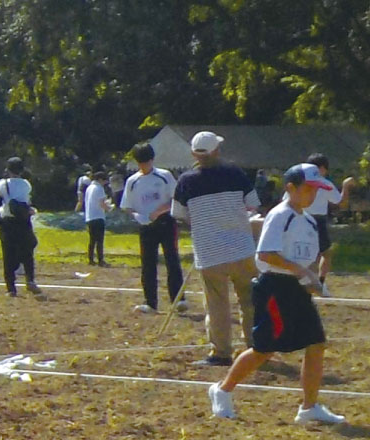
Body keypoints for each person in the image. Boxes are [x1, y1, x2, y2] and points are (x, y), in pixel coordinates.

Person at [208, 163, 345, 425]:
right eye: (308, 189)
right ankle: (222, 390)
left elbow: (306, 258)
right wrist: (304, 272)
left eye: (317, 190)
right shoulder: (281, 215)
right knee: (264, 349)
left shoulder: (309, 221)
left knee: (316, 344)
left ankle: (309, 407)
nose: (313, 195)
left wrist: (310, 281)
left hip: (296, 290)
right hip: (274, 288)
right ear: (290, 188)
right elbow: (266, 254)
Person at [172, 131, 259, 366]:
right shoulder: (235, 173)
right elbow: (253, 205)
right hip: (241, 247)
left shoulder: (186, 181)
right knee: (249, 300)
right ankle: (256, 346)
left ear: (194, 154)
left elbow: (179, 215)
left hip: (210, 252)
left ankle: (221, 352)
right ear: (216, 151)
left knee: (217, 304)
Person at [120, 144, 186, 314]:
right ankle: (150, 302)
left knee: (172, 260)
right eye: (141, 162)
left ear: (152, 160)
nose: (144, 166)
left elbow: (175, 199)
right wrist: (136, 216)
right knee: (148, 263)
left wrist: (159, 211)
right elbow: (127, 205)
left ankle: (178, 299)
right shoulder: (133, 181)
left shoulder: (164, 176)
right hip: (145, 225)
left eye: (147, 161)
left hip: (165, 222)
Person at [285, 154, 354, 297]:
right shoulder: (324, 183)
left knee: (303, 253)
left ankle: (307, 282)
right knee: (324, 254)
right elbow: (341, 203)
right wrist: (346, 186)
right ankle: (319, 283)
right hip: (316, 221)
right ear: (322, 168)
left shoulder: (298, 183)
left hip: (299, 217)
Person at [0, 157, 43, 298]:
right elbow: (27, 203)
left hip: (8, 223)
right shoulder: (26, 184)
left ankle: (11, 288)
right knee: (27, 252)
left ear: (8, 170)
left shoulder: (2, 184)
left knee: (8, 255)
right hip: (23, 222)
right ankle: (30, 280)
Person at [84, 171, 111, 267]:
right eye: (104, 181)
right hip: (98, 216)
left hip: (90, 216)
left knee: (92, 240)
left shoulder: (89, 188)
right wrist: (109, 208)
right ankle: (101, 260)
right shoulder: (99, 188)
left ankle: (91, 259)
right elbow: (102, 203)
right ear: (100, 180)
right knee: (99, 240)